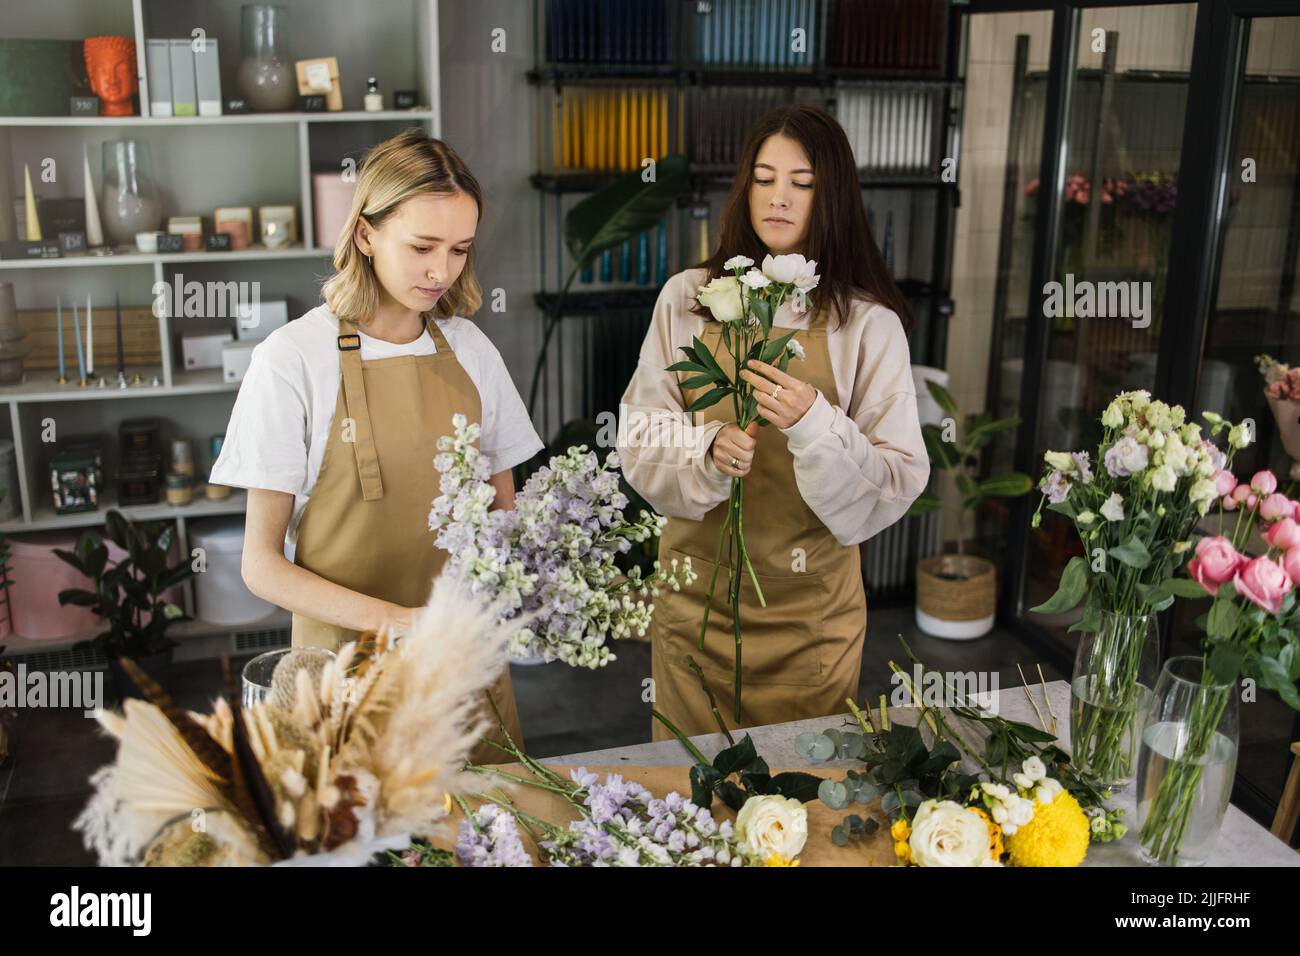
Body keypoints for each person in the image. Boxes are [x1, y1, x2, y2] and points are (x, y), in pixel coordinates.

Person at [210, 129, 543, 762]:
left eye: (459, 250)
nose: (440, 271)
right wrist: (402, 623)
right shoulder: (291, 360)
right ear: (365, 234)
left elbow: (506, 523)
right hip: (338, 675)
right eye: (422, 246)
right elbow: (260, 563)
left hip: (459, 668)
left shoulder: (473, 351)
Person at [618, 105, 930, 738]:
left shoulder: (867, 324)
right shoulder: (687, 298)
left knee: (797, 808)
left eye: (802, 182)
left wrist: (815, 423)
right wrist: (705, 451)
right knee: (683, 802)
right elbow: (641, 430)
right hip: (693, 605)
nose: (779, 198)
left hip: (804, 618)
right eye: (763, 178)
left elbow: (896, 480)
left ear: (832, 194)